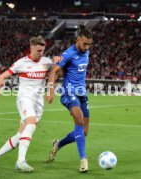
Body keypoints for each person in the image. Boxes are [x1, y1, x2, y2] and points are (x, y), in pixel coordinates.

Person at [0, 36, 57, 172]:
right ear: (31, 48)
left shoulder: (46, 62)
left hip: (38, 103)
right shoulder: (21, 63)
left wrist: (58, 59)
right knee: (31, 124)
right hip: (24, 98)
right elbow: (1, 77)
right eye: (38, 50)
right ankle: (21, 161)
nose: (40, 53)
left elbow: (56, 69)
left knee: (21, 135)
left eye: (42, 50)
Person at [46, 25, 92, 173]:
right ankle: (83, 160)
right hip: (68, 92)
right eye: (84, 43)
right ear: (77, 40)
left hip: (81, 93)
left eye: (89, 44)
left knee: (84, 131)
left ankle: (58, 144)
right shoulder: (68, 53)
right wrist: (51, 90)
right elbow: (54, 71)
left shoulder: (87, 52)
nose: (87, 47)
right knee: (78, 118)